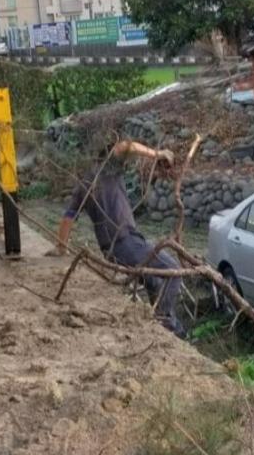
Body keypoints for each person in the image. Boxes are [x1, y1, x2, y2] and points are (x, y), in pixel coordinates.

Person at [57, 140, 187, 338]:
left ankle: (157, 323)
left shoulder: (83, 185)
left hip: (110, 251)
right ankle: (166, 325)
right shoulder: (108, 169)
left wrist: (61, 248)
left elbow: (68, 218)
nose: (126, 164)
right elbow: (126, 145)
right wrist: (159, 153)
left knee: (153, 281)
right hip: (125, 242)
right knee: (175, 271)